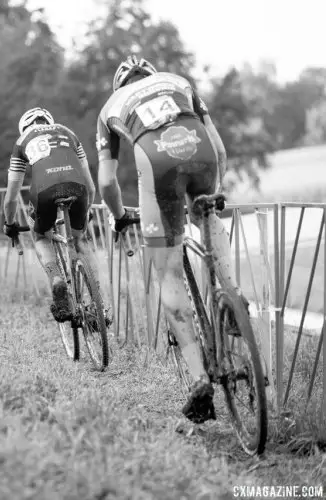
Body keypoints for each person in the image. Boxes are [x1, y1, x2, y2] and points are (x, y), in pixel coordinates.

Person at [96, 55, 239, 424]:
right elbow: (220, 150)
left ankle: (198, 380)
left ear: (120, 86)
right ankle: (234, 297)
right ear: (151, 75)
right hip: (201, 151)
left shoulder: (111, 107)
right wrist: (207, 197)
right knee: (207, 216)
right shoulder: (178, 82)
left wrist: (118, 217)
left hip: (157, 165)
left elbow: (108, 182)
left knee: (168, 272)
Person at [1, 107, 110, 325]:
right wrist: (85, 211)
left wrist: (10, 223)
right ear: (49, 121)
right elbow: (90, 185)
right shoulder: (67, 133)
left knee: (41, 236)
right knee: (80, 239)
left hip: (44, 191)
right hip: (77, 187)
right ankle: (98, 304)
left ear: (25, 126)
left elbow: (11, 198)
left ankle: (57, 279)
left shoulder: (23, 141)